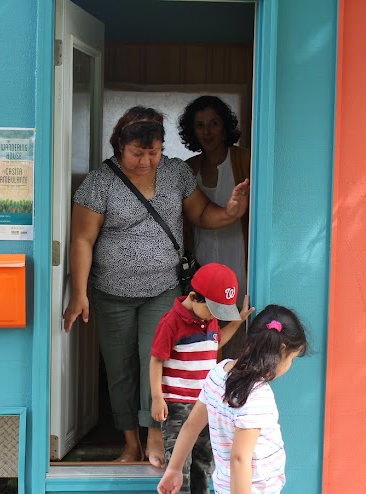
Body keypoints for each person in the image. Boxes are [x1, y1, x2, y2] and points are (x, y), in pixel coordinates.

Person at [62, 106, 250, 468]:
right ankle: (129, 443)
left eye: (154, 152)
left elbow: (200, 214)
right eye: (138, 153)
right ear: (120, 146)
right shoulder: (100, 183)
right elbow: (82, 240)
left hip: (163, 289)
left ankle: (153, 438)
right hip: (111, 292)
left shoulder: (176, 173)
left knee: (158, 360)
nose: (147, 161)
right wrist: (80, 293)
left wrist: (229, 212)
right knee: (120, 369)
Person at [157, 305, 308, 494]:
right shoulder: (258, 396)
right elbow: (240, 459)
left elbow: (191, 424)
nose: (289, 367)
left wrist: (174, 469)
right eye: (293, 359)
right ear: (282, 350)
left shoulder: (219, 372)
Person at [149, 262, 254, 494]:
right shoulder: (171, 322)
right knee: (179, 460)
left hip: (207, 404)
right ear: (194, 297)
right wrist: (157, 397)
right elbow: (156, 360)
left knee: (204, 459)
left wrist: (238, 320)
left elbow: (216, 341)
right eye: (212, 308)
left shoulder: (209, 319)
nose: (213, 317)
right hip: (177, 405)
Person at [178, 96, 252, 358]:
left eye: (213, 123)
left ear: (224, 126)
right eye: (199, 125)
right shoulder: (189, 168)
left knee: (239, 332)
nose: (207, 132)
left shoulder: (245, 161)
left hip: (240, 261)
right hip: (203, 259)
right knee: (205, 336)